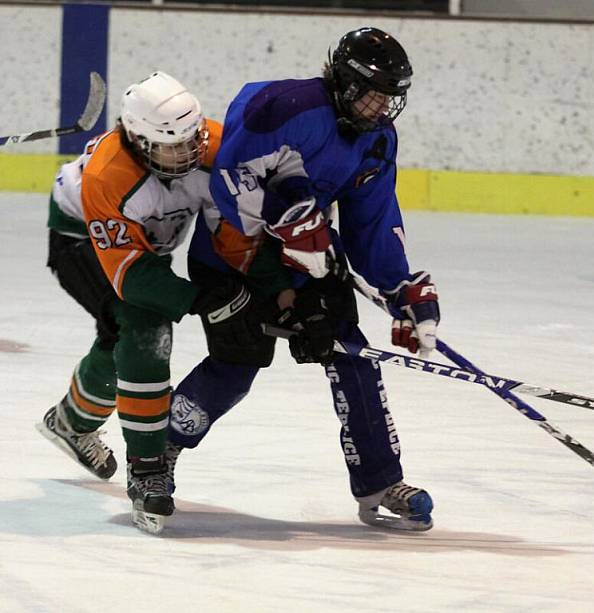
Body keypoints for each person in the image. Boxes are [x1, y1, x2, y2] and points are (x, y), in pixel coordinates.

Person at [164, 27, 440, 531]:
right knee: (238, 360)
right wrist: (283, 219)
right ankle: (158, 451)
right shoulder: (281, 107)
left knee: (350, 354)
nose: (382, 109)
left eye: (390, 99)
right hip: (230, 251)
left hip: (306, 256)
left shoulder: (377, 139)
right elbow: (231, 180)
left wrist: (399, 290)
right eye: (374, 95)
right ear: (345, 81)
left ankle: (378, 480)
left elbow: (371, 221)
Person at [37, 71, 264, 534]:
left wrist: (248, 290)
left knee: (121, 335)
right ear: (138, 141)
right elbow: (132, 277)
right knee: (144, 327)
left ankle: (70, 421)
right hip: (80, 237)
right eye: (170, 146)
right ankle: (146, 470)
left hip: (150, 243)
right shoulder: (108, 176)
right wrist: (201, 299)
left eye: (191, 141)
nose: (186, 155)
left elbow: (235, 227)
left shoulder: (219, 149)